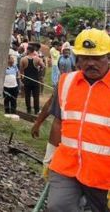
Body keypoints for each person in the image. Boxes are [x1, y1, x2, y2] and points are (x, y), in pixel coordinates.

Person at [47, 29, 110, 212]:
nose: (90, 63)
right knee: (58, 206)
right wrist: (49, 155)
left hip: (103, 173)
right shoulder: (66, 82)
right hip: (67, 167)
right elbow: (58, 122)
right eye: (84, 57)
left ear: (108, 57)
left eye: (97, 58)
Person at [20, 43, 45, 114]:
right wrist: (40, 74)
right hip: (35, 80)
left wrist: (22, 79)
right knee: (36, 96)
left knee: (27, 96)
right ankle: (36, 110)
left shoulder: (23, 59)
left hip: (27, 80)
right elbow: (43, 66)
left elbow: (21, 71)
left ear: (28, 50)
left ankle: (28, 110)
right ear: (33, 51)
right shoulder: (37, 59)